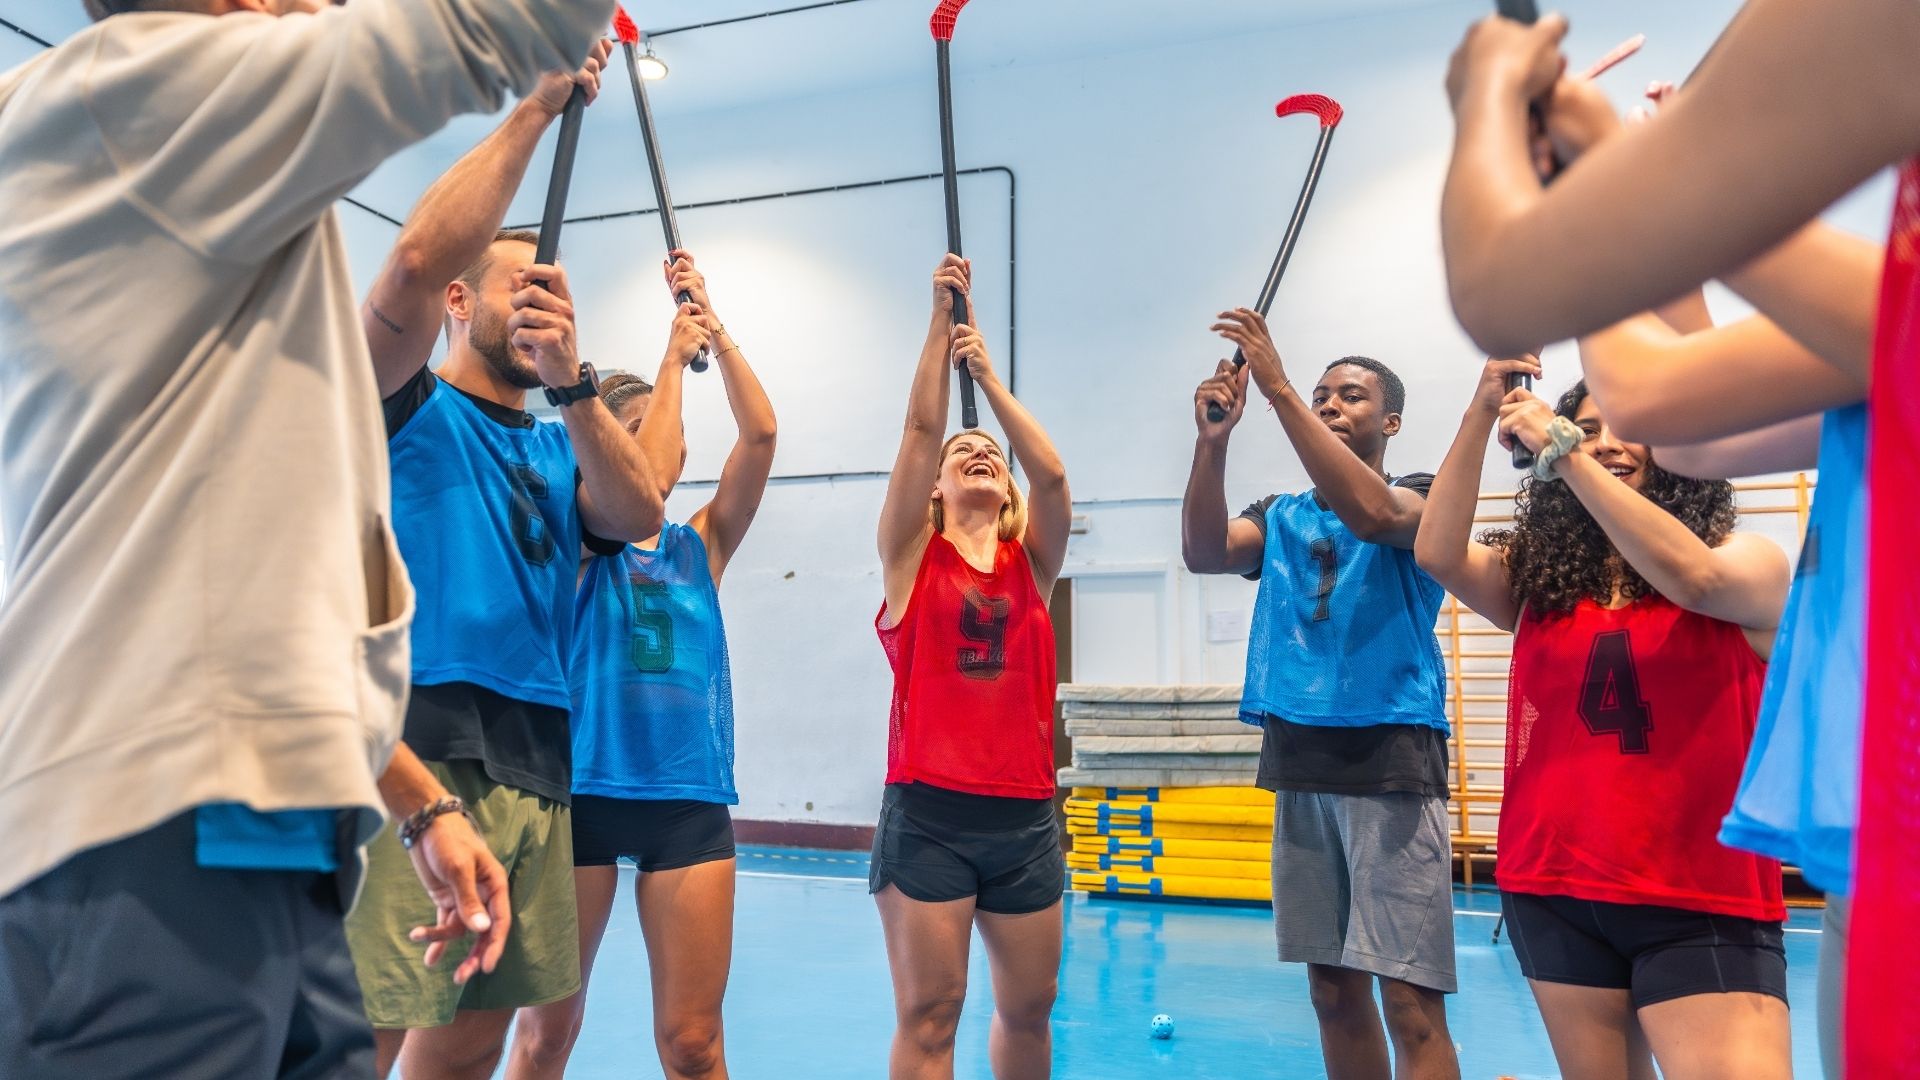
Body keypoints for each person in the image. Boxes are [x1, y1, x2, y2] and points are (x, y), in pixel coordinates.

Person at [0, 1, 613, 1075]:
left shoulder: (183, 220)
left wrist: (415, 806)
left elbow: (259, 581)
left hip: (255, 816)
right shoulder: (161, 93)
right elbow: (495, 23)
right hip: (159, 828)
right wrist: (543, 79)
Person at [346, 41, 671, 1079]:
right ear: (458, 301)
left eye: (557, 293)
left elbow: (636, 510)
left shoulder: (555, 439)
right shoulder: (401, 407)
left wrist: (571, 383)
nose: (540, 304)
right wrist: (533, 109)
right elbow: (405, 267)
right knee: (368, 1022)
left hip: (538, 755)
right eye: (516, 285)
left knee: (473, 1043)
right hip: (418, 740)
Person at [1415, 362, 1793, 1080]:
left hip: (1699, 891)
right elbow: (1436, 551)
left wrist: (1566, 455)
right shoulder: (1542, 583)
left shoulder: (1744, 560)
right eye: (1588, 429)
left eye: (1632, 430)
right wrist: (1481, 408)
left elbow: (1694, 580)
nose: (1607, 443)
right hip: (1555, 885)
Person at [507, 250, 776, 1080]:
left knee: (693, 1043)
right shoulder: (576, 543)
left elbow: (761, 434)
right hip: (582, 793)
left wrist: (711, 326)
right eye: (635, 429)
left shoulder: (703, 545)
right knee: (546, 1035)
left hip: (686, 800)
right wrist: (667, 356)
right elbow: (640, 484)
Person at [1182, 313, 1459, 1080]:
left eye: (1352, 395)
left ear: (1392, 420)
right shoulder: (1280, 515)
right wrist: (1213, 444)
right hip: (1300, 757)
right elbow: (1204, 551)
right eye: (1321, 393)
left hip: (1390, 755)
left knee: (1410, 1000)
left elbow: (1372, 516)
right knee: (1333, 992)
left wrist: (1275, 387)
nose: (1332, 403)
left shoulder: (1423, 494)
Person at [869, 254, 1070, 1079]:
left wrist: (987, 384)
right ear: (938, 489)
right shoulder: (911, 559)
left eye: (991, 451)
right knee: (930, 1015)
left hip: (1025, 819)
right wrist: (938, 322)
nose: (979, 453)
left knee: (1026, 1011)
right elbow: (920, 433)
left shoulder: (1034, 568)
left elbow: (1053, 476)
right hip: (929, 816)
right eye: (965, 453)